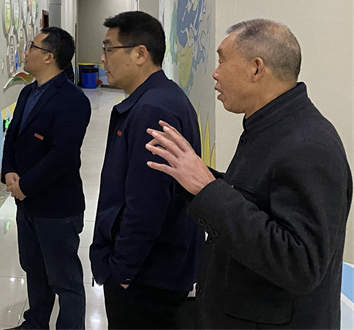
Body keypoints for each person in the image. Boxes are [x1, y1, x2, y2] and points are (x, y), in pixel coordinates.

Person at [146, 19, 352, 328]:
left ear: (256, 69)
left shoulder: (308, 145)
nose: (215, 74)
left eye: (222, 61)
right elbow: (257, 201)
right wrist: (192, 178)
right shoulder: (268, 128)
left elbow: (301, 264)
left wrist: (208, 190)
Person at [89, 11, 203, 329]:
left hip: (147, 278)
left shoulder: (153, 110)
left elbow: (147, 204)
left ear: (140, 53)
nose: (103, 58)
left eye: (109, 49)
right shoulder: (159, 99)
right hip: (154, 271)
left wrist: (122, 271)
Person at [2, 26, 91, 329]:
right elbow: (13, 136)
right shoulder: (28, 92)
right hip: (26, 204)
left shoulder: (73, 100)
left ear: (49, 57)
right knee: (34, 269)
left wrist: (25, 186)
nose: (26, 52)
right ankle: (35, 323)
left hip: (57, 207)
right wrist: (9, 170)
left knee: (64, 279)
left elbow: (63, 155)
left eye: (32, 47)